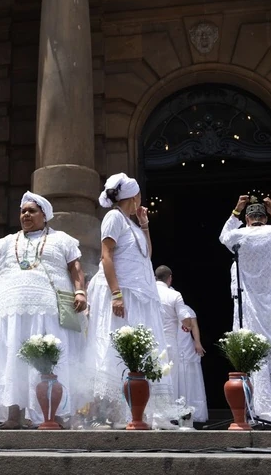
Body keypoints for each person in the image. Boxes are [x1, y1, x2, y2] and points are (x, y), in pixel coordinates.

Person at [0, 192, 87, 429]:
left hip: (49, 312)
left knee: (51, 360)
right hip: (9, 312)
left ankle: (53, 416)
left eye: (31, 211)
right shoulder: (5, 243)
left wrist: (80, 292)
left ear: (44, 215)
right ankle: (14, 417)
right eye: (23, 211)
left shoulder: (62, 239)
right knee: (13, 361)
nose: (25, 214)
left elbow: (76, 268)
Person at [86, 173, 175, 429]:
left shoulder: (131, 223)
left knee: (139, 348)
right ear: (133, 196)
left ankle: (137, 411)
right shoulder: (113, 217)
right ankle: (111, 412)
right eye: (139, 196)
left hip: (140, 294)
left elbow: (147, 254)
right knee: (117, 346)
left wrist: (145, 224)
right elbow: (106, 256)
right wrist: (116, 293)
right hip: (123, 292)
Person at [219, 195, 271, 424]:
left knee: (256, 353)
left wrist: (236, 210)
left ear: (248, 219)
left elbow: (223, 237)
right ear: (263, 217)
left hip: (251, 304)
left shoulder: (239, 235)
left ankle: (261, 412)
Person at [155, 266, 207, 422]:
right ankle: (169, 416)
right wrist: (188, 325)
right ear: (169, 278)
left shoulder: (148, 292)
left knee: (153, 378)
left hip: (151, 341)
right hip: (169, 342)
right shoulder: (174, 295)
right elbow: (185, 320)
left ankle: (152, 414)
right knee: (171, 378)